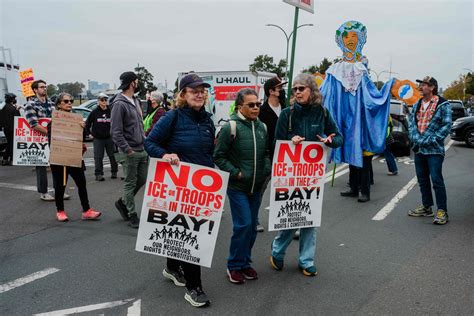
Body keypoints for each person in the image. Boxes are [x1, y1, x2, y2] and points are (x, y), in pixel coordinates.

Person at [145, 74, 214, 307]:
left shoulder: (208, 120)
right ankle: (194, 288)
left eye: (202, 90)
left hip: (202, 189)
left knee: (180, 231)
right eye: (194, 90)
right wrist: (165, 155)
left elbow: (208, 154)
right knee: (191, 235)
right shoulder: (172, 117)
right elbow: (149, 142)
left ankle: (172, 267)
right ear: (183, 94)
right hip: (177, 186)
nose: (199, 94)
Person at [269, 74, 343, 277]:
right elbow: (276, 142)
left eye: (301, 88)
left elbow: (339, 139)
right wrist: (289, 139)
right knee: (289, 215)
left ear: (312, 90)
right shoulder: (287, 114)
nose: (297, 92)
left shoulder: (323, 113)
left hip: (312, 175)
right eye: (294, 89)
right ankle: (277, 252)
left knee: (309, 217)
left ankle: (306, 260)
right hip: (290, 173)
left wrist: (329, 140)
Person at [214, 88, 271, 284]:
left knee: (252, 228)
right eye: (251, 105)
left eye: (258, 104)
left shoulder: (262, 126)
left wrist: (266, 169)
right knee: (244, 224)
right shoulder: (231, 127)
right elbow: (218, 156)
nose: (256, 108)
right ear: (240, 106)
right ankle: (234, 266)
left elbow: (266, 153)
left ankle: (245, 262)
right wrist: (236, 172)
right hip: (237, 187)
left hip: (257, 186)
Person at [48, 93, 101, 222]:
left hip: (75, 158)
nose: (69, 103)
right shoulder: (53, 122)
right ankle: (60, 211)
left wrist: (83, 128)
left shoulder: (77, 120)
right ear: (59, 104)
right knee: (60, 186)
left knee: (81, 183)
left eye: (71, 101)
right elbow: (51, 141)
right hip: (60, 159)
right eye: (66, 101)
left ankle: (86, 210)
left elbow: (83, 137)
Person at [408, 76, 452, 225]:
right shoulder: (417, 104)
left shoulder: (442, 104)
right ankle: (427, 207)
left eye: (424, 85)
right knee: (422, 179)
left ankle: (442, 211)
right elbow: (411, 123)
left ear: (432, 87)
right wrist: (415, 138)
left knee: (436, 180)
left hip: (434, 150)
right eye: (420, 84)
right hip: (419, 149)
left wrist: (430, 139)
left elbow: (446, 126)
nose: (421, 87)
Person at [111, 71, 148, 228]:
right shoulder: (119, 104)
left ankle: (122, 202)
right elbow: (115, 132)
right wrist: (127, 150)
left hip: (142, 149)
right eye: (136, 81)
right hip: (130, 151)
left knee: (143, 178)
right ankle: (132, 215)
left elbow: (139, 125)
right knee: (130, 183)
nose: (138, 83)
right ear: (132, 83)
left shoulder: (136, 100)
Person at [24, 79, 69, 201]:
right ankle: (43, 192)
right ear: (35, 90)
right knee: (41, 167)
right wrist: (52, 132)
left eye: (45, 86)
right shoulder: (30, 105)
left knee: (58, 165)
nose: (45, 88)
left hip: (53, 138)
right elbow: (33, 124)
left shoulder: (51, 103)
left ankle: (58, 191)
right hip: (40, 140)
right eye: (42, 87)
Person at [85, 93, 118, 181]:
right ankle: (98, 174)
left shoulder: (111, 111)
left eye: (105, 100)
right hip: (98, 138)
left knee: (113, 156)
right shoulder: (94, 112)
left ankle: (114, 172)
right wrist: (89, 133)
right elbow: (87, 124)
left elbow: (116, 123)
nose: (104, 102)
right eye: (102, 100)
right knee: (98, 157)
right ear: (98, 101)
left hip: (110, 137)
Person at [0, 93, 20, 165]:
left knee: (9, 143)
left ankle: (5, 158)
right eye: (14, 98)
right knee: (12, 144)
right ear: (12, 99)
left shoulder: (2, 108)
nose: (15, 100)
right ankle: (12, 159)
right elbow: (18, 119)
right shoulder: (14, 109)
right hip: (13, 128)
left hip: (5, 129)